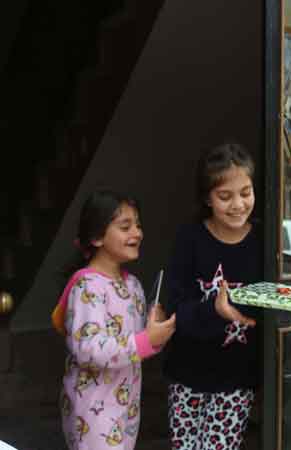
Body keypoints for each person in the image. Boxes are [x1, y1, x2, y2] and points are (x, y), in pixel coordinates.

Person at [52, 190, 176, 450]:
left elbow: (143, 342)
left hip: (126, 410)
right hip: (91, 412)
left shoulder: (133, 285)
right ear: (97, 237)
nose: (138, 233)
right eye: (125, 226)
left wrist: (158, 329)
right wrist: (145, 341)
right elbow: (88, 350)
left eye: (138, 225)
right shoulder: (88, 286)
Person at [164, 142, 261, 450]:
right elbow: (175, 310)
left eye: (245, 193)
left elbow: (272, 302)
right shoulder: (189, 239)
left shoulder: (263, 241)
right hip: (186, 373)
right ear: (207, 198)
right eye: (225, 196)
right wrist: (215, 311)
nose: (238, 205)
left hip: (235, 379)